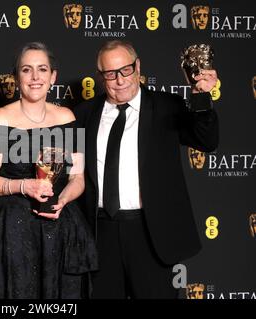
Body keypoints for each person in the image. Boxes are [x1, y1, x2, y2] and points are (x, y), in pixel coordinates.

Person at [74, 40, 219, 298]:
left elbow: (206, 141)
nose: (120, 80)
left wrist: (201, 96)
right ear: (100, 76)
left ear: (138, 66)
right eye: (110, 73)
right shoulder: (85, 114)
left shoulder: (167, 106)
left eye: (126, 70)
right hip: (100, 232)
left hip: (150, 233)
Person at [0, 42, 98, 298]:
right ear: (16, 77)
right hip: (12, 231)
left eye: (42, 69)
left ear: (53, 76)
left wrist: (63, 199)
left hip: (60, 228)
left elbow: (78, 177)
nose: (35, 77)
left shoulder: (67, 118)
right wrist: (23, 186)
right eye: (26, 70)